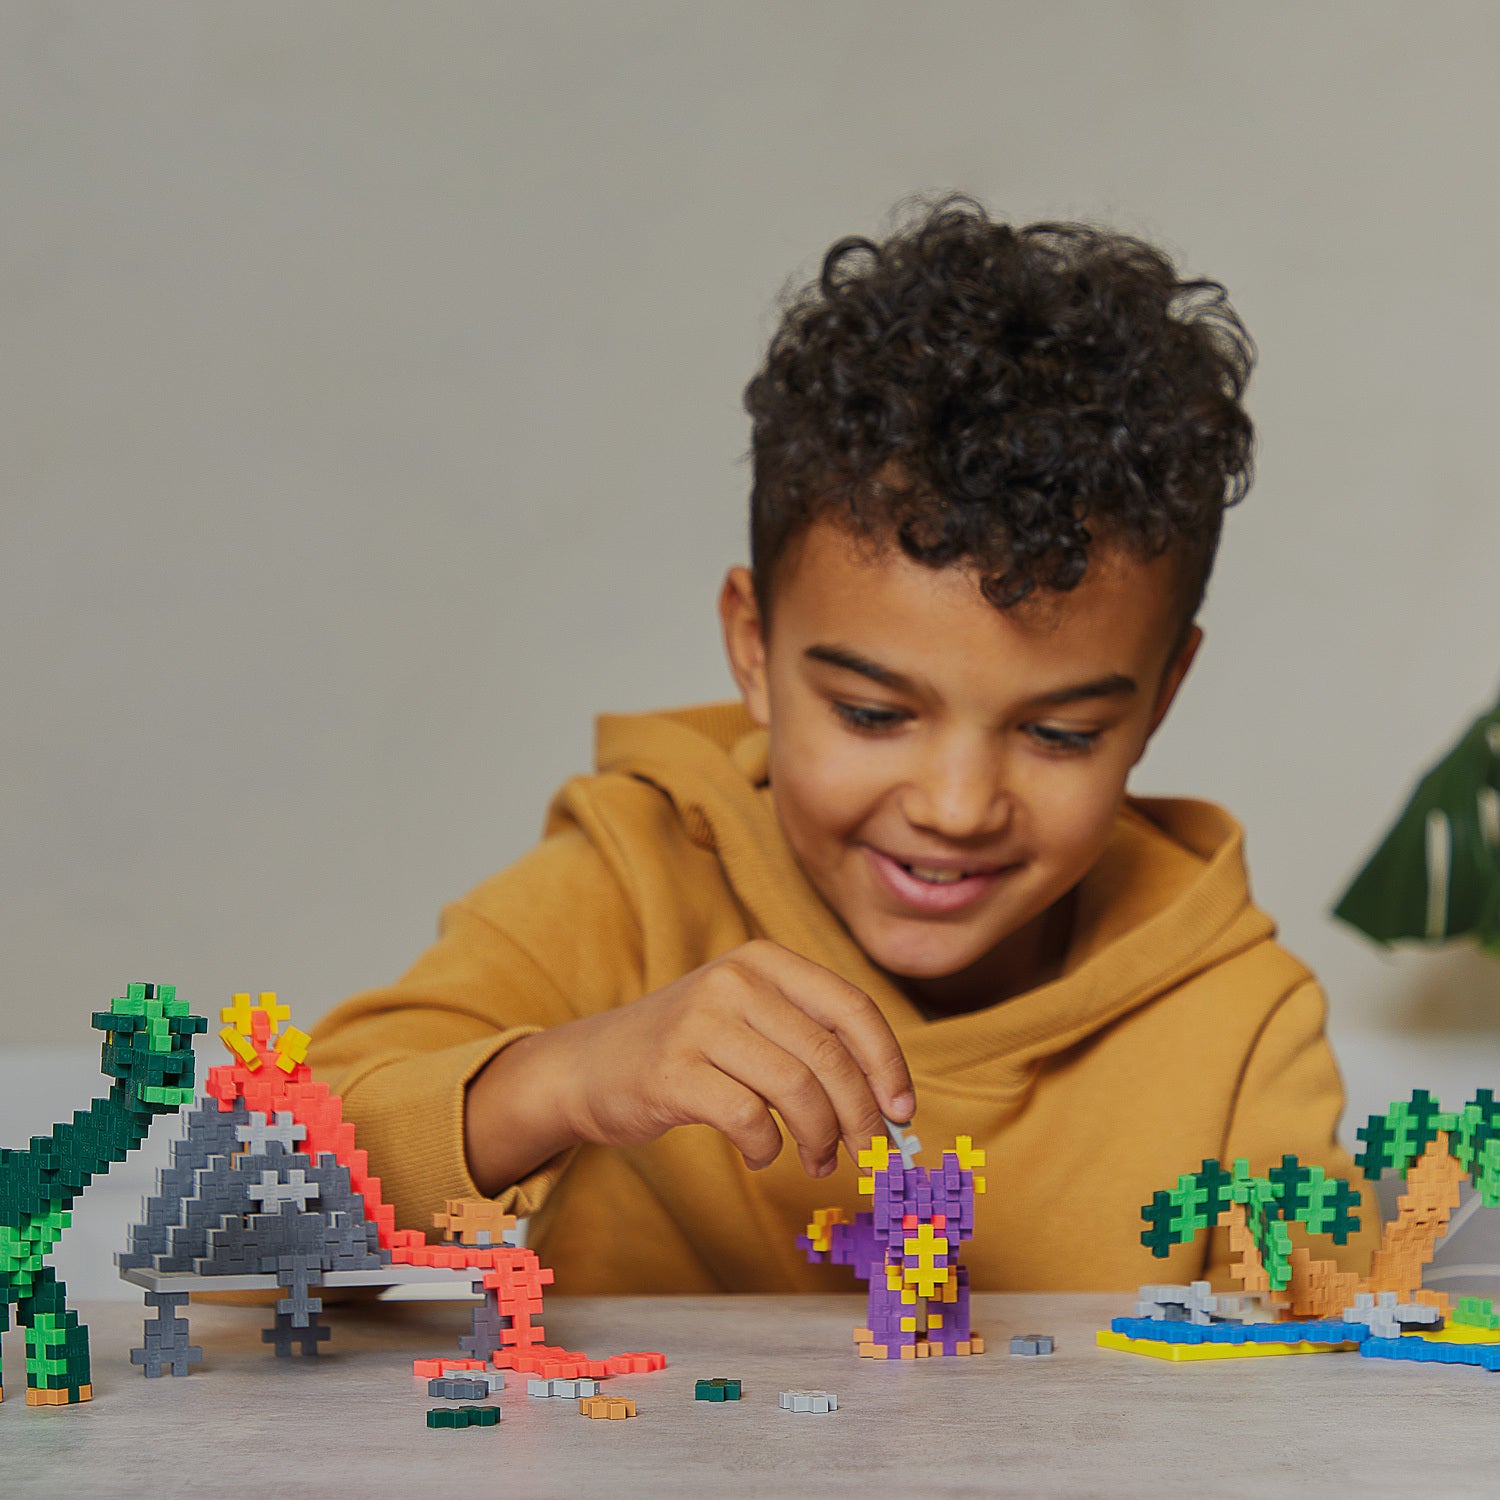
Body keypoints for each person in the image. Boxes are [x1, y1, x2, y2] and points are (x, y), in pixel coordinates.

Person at [309, 196, 1381, 1293]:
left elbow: (1336, 1355)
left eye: (1059, 733)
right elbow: (245, 1218)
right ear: (753, 647)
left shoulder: (1238, 1019)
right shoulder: (629, 889)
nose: (957, 806)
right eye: (873, 715)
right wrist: (562, 1081)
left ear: (1161, 698)